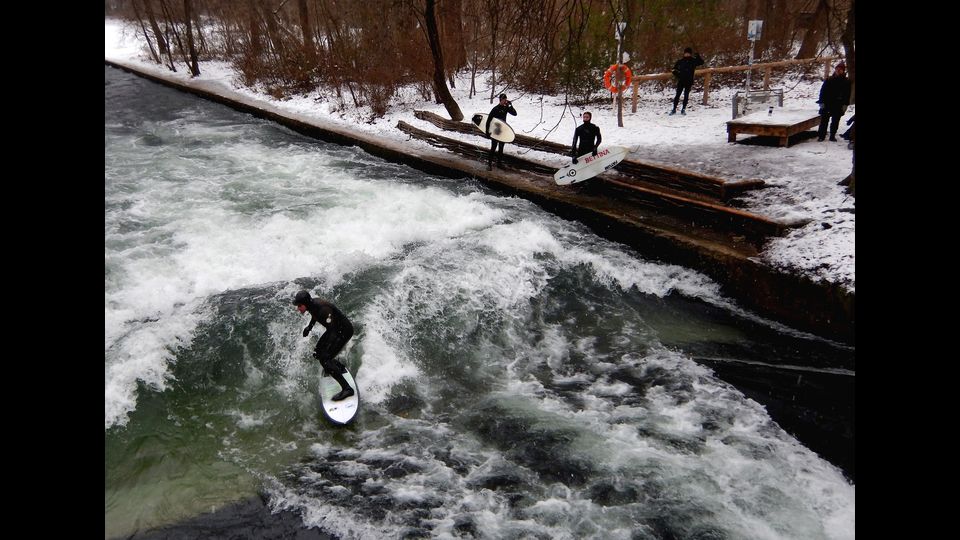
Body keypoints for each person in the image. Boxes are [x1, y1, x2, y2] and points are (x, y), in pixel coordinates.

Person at [294, 290, 355, 401]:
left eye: (299, 305)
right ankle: (338, 367)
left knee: (325, 359)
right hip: (334, 329)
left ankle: (347, 389)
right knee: (317, 353)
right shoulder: (312, 305)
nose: (298, 308)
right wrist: (309, 327)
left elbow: (333, 331)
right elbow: (315, 315)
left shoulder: (323, 309)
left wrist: (327, 350)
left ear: (306, 304)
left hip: (343, 331)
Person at [816, 62, 851, 142]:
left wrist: (845, 104)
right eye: (837, 69)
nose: (838, 71)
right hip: (827, 103)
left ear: (843, 71)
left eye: (840, 70)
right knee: (824, 121)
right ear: (835, 70)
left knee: (835, 121)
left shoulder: (846, 82)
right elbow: (823, 91)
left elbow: (847, 94)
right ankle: (821, 136)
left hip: (838, 104)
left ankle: (832, 136)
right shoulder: (829, 80)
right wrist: (821, 102)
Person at [485, 93, 517, 170]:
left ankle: (499, 164)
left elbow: (515, 114)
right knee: (493, 148)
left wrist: (510, 106)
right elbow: (488, 120)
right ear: (500, 100)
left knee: (501, 148)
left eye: (506, 99)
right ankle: (489, 164)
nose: (505, 101)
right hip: (495, 131)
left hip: (502, 131)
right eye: (504, 100)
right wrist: (487, 131)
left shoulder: (506, 108)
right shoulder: (495, 109)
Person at [670, 47, 704, 115]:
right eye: (686, 53)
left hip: (689, 81)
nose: (687, 55)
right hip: (681, 80)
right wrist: (678, 75)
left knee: (686, 95)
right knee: (677, 95)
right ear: (684, 53)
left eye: (688, 53)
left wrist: (698, 56)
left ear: (690, 54)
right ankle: (674, 109)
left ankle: (683, 109)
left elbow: (701, 62)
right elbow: (673, 70)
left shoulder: (693, 61)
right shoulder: (680, 61)